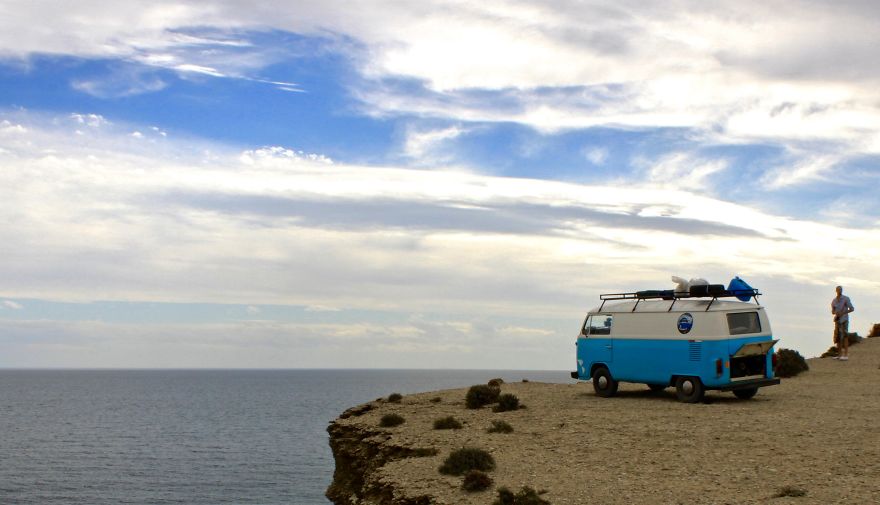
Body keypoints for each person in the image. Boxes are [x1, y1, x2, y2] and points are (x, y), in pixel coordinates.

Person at [831, 286, 855, 360]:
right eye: (838, 289)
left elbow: (852, 308)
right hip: (837, 320)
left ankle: (846, 355)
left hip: (844, 319)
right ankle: (839, 355)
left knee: (845, 336)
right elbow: (832, 311)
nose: (840, 291)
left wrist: (843, 312)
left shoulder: (845, 299)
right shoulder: (834, 301)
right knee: (838, 337)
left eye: (841, 289)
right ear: (836, 290)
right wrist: (835, 312)